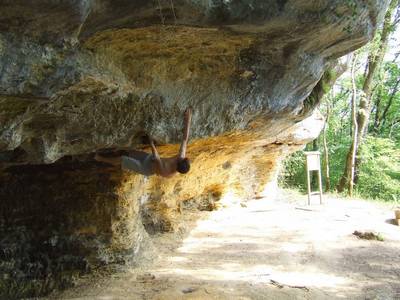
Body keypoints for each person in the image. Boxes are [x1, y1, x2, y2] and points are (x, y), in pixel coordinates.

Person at [95, 108, 192, 177]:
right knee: (129, 152)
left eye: (179, 160)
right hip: (149, 158)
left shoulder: (167, 172)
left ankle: (100, 159)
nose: (179, 158)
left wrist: (151, 142)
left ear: (177, 166)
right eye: (181, 158)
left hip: (145, 168)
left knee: (123, 160)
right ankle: (111, 153)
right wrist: (188, 119)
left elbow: (158, 158)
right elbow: (185, 139)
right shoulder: (181, 158)